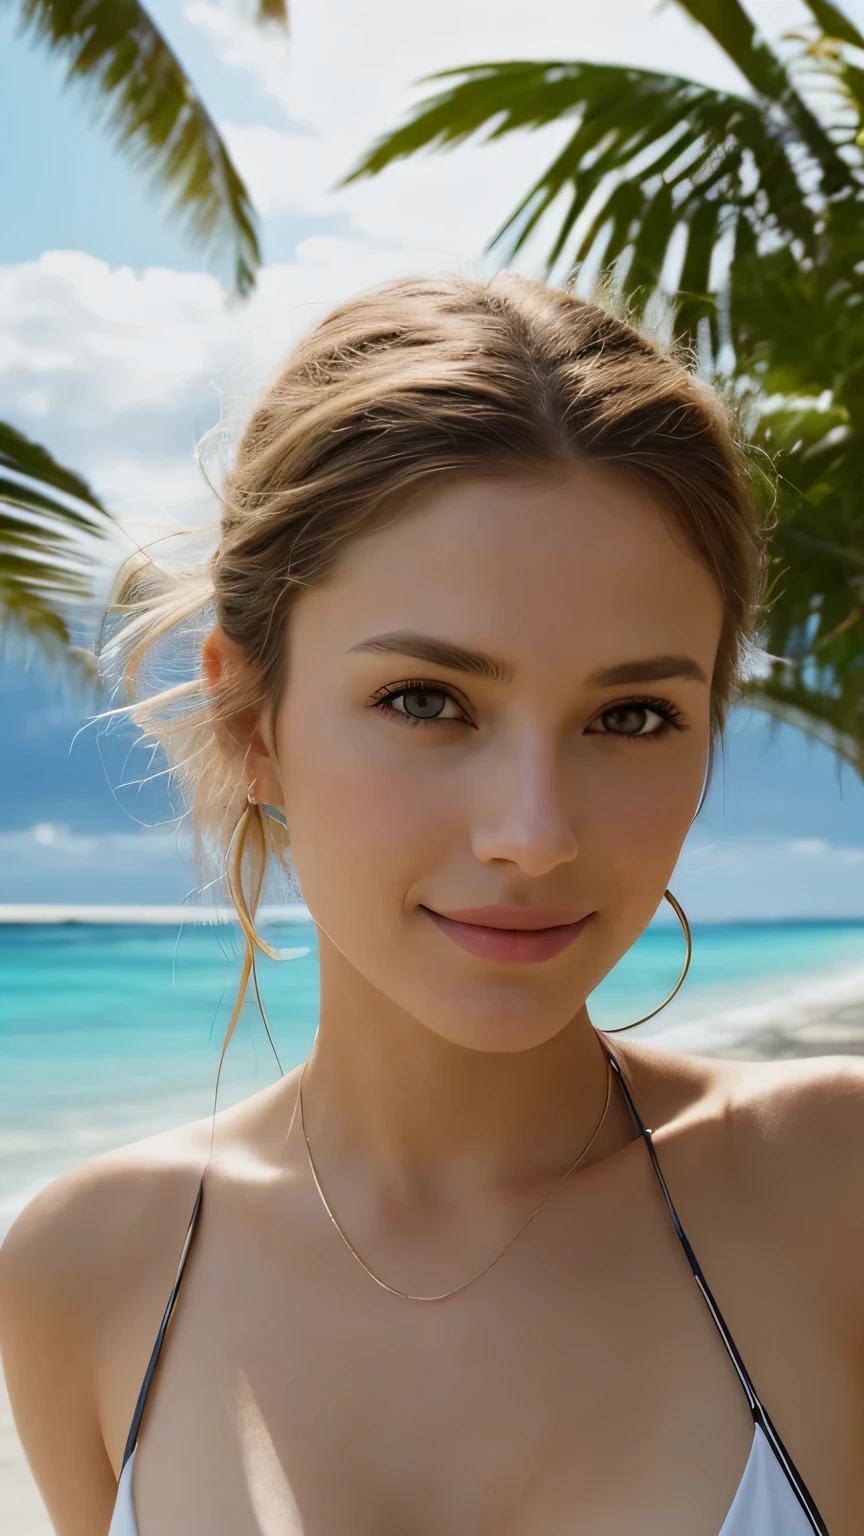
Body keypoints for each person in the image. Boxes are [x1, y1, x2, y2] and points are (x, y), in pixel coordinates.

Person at [0, 274, 860, 1536]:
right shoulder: (87, 1269)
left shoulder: (831, 1191)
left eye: (632, 716)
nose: (533, 834)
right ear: (253, 720)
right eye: (426, 699)